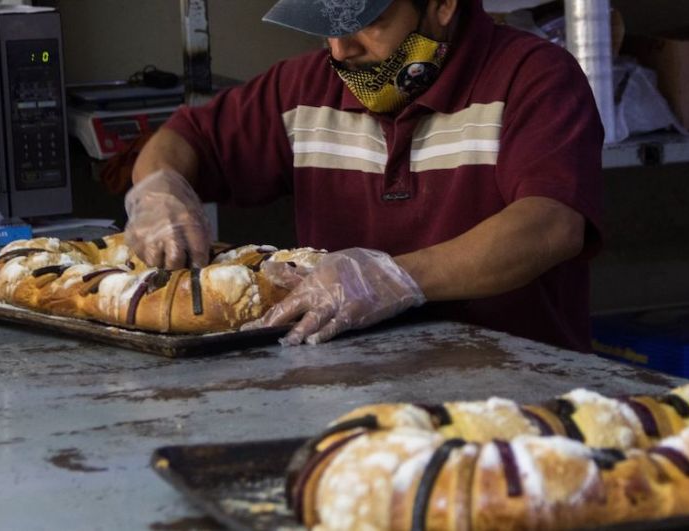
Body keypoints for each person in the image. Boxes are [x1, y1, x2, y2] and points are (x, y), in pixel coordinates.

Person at [124, 0, 604, 350]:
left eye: (369, 22)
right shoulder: (303, 88)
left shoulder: (534, 78)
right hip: (347, 391)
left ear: (441, 5)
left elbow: (551, 225)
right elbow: (182, 140)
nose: (341, 48)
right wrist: (158, 189)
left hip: (515, 387)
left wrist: (392, 279)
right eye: (325, 27)